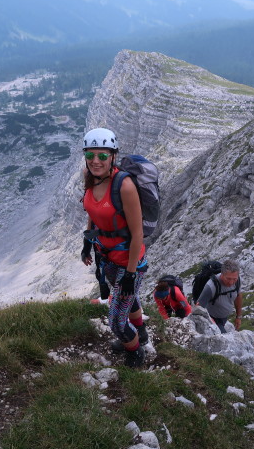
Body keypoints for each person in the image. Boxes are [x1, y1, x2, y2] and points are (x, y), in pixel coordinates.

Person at [80, 127, 148, 368]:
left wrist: (130, 273)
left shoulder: (124, 186)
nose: (95, 161)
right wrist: (87, 244)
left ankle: (136, 351)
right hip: (107, 257)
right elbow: (92, 212)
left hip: (129, 261)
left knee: (117, 322)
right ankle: (141, 332)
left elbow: (138, 232)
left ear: (113, 156)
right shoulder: (90, 179)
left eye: (102, 155)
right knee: (129, 300)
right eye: (90, 156)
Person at [196, 259, 243, 334]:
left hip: (224, 318)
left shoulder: (237, 281)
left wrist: (238, 317)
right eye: (228, 279)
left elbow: (238, 296)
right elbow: (199, 308)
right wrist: (209, 321)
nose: (231, 282)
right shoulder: (211, 286)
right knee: (224, 338)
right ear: (222, 274)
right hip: (212, 319)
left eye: (234, 279)